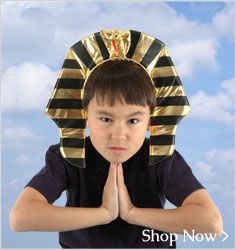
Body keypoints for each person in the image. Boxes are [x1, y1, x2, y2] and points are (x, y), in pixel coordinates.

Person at [9, 29, 223, 248]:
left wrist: (131, 213)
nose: (119, 135)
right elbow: (21, 217)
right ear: (85, 114)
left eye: (133, 121)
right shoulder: (65, 156)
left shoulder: (161, 158)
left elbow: (211, 223)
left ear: (151, 119)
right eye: (105, 119)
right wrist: (104, 213)